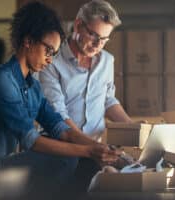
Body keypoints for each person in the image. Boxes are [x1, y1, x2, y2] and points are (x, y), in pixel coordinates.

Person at [0, 2, 118, 199]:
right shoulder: (1, 80)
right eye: (48, 50)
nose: (50, 59)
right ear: (28, 41)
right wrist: (89, 150)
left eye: (54, 54)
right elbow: (33, 141)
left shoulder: (32, 87)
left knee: (81, 161)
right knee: (67, 160)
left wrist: (99, 148)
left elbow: (60, 128)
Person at [39, 0, 134, 194]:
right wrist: (98, 149)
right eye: (93, 35)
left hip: (94, 152)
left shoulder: (107, 61)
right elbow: (58, 117)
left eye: (104, 39)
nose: (98, 44)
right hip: (60, 150)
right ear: (78, 25)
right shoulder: (51, 62)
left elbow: (108, 100)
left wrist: (135, 129)